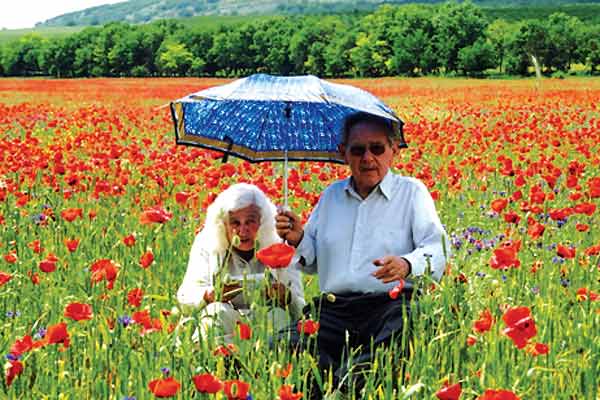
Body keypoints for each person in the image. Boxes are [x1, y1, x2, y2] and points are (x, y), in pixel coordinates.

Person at [275, 111, 449, 395]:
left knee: (373, 363)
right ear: (344, 153)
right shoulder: (331, 196)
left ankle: (346, 388)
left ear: (393, 150)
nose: (368, 157)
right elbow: (314, 259)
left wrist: (407, 264)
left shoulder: (412, 193)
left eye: (377, 148)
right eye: (358, 150)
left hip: (391, 307)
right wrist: (299, 238)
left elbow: (437, 247)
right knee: (283, 348)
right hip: (333, 309)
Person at [178, 183, 305, 341]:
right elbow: (185, 299)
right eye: (235, 223)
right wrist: (208, 295)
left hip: (264, 323)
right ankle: (219, 363)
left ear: (263, 222)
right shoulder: (207, 243)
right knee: (217, 312)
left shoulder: (280, 246)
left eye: (250, 221)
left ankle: (273, 364)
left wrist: (288, 297)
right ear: (223, 224)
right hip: (225, 319)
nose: (243, 230)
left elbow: (302, 309)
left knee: (278, 315)